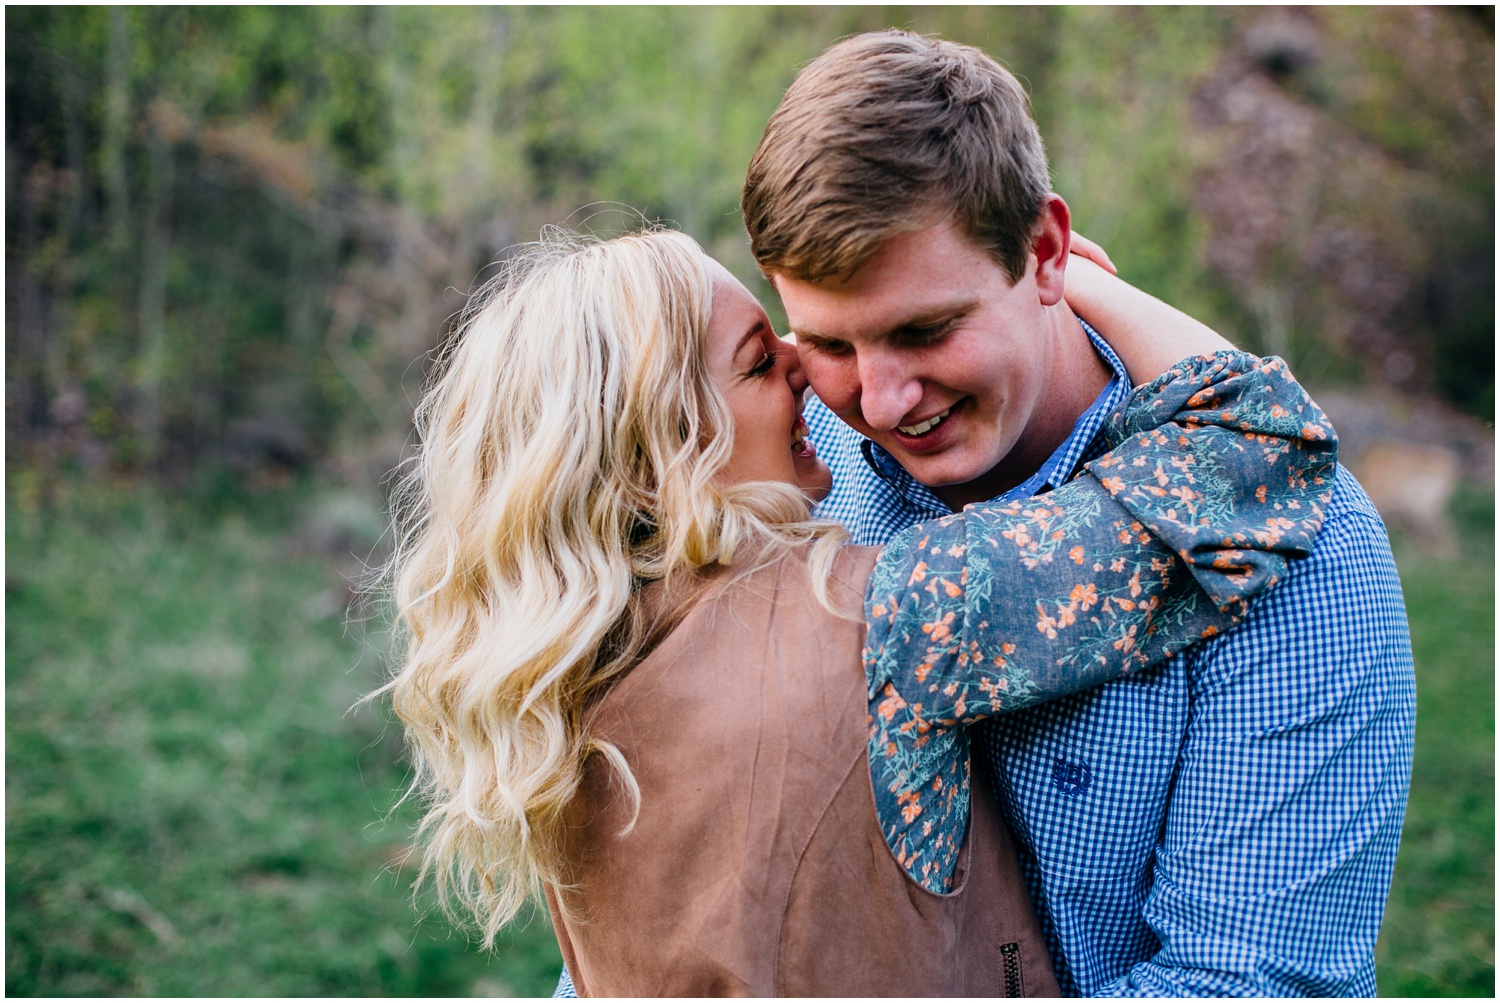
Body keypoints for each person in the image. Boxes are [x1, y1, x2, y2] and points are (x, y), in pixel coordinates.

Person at [383, 226, 1339, 996]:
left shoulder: (549, 686)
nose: (810, 373)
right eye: (762, 363)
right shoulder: (888, 617)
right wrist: (1062, 280)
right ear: (661, 454)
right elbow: (1259, 450)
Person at [740, 30, 1416, 996]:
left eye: (924, 330)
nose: (882, 404)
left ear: (1046, 250)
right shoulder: (797, 468)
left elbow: (1246, 981)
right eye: (830, 344)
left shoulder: (1289, 549)